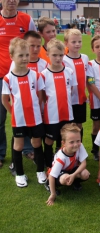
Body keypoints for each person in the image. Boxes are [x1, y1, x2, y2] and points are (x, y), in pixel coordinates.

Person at [0, 0, 36, 168]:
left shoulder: (26, 19)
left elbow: (34, 43)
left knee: (27, 112)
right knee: (0, 116)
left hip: (22, 75)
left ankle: (28, 148)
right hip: (1, 76)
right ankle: (0, 153)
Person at [2, 38, 46, 187]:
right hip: (19, 120)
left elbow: (40, 96)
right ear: (12, 57)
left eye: (26, 55)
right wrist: (14, 113)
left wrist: (37, 110)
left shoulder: (35, 75)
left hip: (35, 118)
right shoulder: (8, 79)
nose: (25, 58)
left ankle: (41, 171)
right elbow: (4, 100)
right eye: (20, 55)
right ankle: (20, 174)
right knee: (18, 146)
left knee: (36, 143)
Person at [41, 39, 77, 168]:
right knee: (49, 140)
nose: (58, 58)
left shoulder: (69, 72)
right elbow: (42, 95)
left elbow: (71, 90)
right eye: (54, 55)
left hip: (67, 114)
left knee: (67, 140)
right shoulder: (44, 75)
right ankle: (49, 164)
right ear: (48, 55)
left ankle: (66, 163)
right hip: (52, 115)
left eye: (61, 55)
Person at [45, 123, 90, 205]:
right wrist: (53, 194)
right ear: (63, 143)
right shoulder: (61, 157)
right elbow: (52, 175)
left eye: (78, 141)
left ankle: (75, 182)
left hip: (71, 171)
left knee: (85, 174)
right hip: (58, 174)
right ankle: (49, 185)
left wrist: (73, 175)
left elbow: (83, 163)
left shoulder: (80, 146)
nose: (76, 144)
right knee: (64, 178)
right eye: (71, 142)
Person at [63, 29, 89, 139]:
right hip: (67, 100)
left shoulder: (85, 58)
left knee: (79, 125)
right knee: (67, 126)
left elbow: (89, 78)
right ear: (66, 43)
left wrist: (91, 92)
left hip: (81, 99)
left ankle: (78, 148)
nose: (77, 44)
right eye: (73, 42)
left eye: (79, 41)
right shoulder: (63, 59)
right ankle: (62, 149)